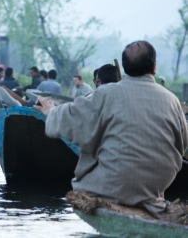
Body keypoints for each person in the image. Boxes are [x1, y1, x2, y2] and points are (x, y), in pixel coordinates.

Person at [34, 40, 188, 219]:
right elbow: (183, 143)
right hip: (157, 186)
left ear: (125, 68)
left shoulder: (106, 93)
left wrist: (51, 111)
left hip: (112, 188)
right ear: (154, 68)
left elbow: (70, 117)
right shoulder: (172, 100)